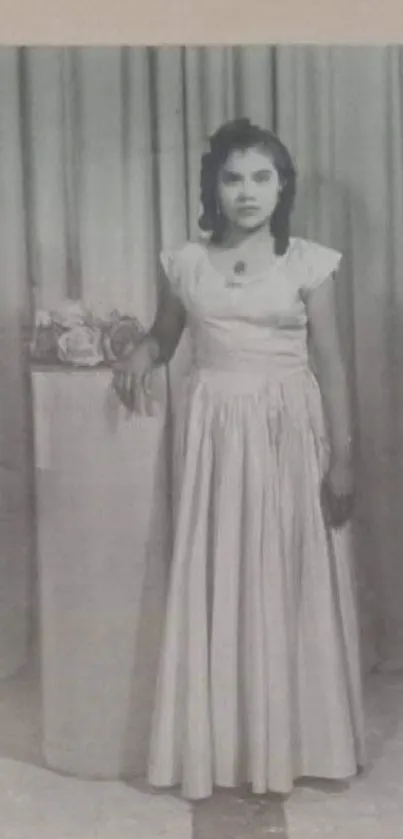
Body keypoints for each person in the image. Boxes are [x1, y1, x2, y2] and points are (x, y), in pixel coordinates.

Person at [113, 118, 365, 800]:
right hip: (213, 436)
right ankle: (221, 740)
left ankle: (298, 739)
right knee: (220, 570)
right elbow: (166, 335)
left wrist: (342, 459)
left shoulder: (310, 261)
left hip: (288, 430)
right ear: (213, 187)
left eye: (261, 177)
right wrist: (142, 350)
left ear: (282, 187)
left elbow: (334, 366)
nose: (246, 191)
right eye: (232, 177)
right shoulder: (185, 261)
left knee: (286, 572)